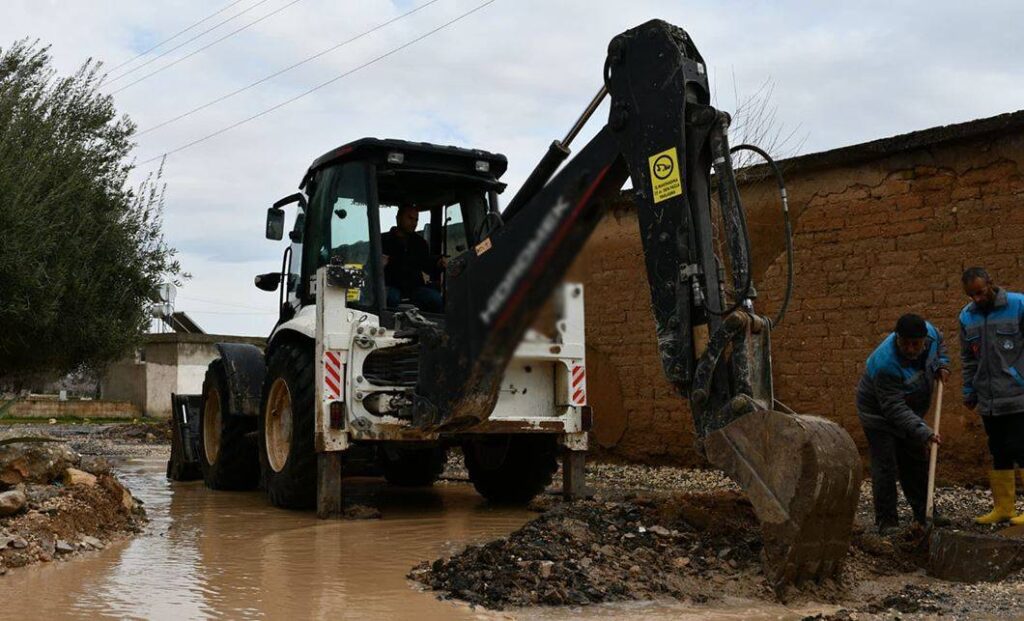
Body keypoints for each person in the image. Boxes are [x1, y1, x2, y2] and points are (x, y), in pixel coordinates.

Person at [856, 313, 948, 534]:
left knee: (915, 460)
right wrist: (924, 431)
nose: (909, 348)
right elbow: (894, 409)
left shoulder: (932, 334)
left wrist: (942, 365)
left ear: (925, 340)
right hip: (878, 414)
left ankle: (925, 513)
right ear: (896, 337)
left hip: (910, 409)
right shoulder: (885, 364)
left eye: (915, 344)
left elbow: (941, 347)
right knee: (885, 465)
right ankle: (887, 521)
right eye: (904, 343)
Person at [959, 267, 1024, 525]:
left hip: (1018, 395)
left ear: (991, 283)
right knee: (999, 451)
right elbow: (968, 358)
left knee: (1022, 449)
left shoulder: (1018, 306)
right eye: (971, 295)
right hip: (989, 399)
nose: (976, 298)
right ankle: (1004, 508)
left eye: (980, 292)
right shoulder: (966, 317)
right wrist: (969, 390)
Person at [381, 205, 444, 313]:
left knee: (436, 299)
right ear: (398, 218)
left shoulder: (420, 242)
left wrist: (438, 262)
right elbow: (371, 267)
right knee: (390, 298)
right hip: (391, 285)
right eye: (410, 218)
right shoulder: (382, 240)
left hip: (414, 288)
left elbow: (426, 263)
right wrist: (380, 263)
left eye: (416, 220)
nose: (414, 223)